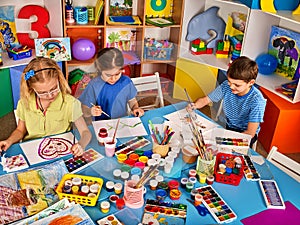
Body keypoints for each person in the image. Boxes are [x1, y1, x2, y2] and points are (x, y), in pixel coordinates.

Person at [0, 57, 91, 156]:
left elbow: (86, 132)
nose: (50, 95)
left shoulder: (70, 103)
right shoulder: (24, 103)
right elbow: (20, 130)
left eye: (54, 88)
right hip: (32, 152)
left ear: (59, 80)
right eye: (42, 93)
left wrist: (81, 144)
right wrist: (9, 141)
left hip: (60, 150)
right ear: (31, 88)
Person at [187, 56, 266, 148]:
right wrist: (195, 105)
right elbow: (206, 100)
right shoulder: (226, 86)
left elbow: (250, 133)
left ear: (251, 83)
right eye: (229, 82)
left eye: (237, 85)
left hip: (244, 134)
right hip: (228, 126)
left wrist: (224, 141)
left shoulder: (257, 101)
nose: (231, 87)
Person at [78, 47, 144, 121]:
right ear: (100, 70)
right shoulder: (94, 85)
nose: (113, 79)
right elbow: (83, 110)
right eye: (108, 75)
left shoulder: (126, 82)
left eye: (117, 74)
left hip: (122, 122)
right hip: (101, 125)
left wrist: (135, 108)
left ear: (122, 70)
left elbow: (132, 101)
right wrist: (90, 111)